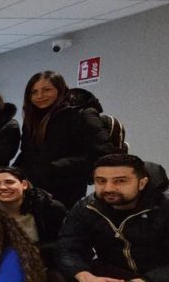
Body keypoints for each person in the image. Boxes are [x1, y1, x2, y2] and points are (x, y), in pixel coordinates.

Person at [53, 154, 169, 282]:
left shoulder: (165, 207)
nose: (108, 188)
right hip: (114, 271)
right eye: (101, 181)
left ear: (142, 182)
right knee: (55, 277)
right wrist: (85, 276)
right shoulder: (87, 208)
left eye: (120, 181)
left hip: (160, 274)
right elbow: (67, 248)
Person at [15, 70, 117, 209]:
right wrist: (11, 174)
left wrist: (55, 167)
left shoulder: (82, 113)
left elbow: (102, 153)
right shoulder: (33, 118)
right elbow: (26, 152)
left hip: (67, 187)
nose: (39, 96)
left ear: (60, 89)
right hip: (35, 186)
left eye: (46, 90)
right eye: (34, 92)